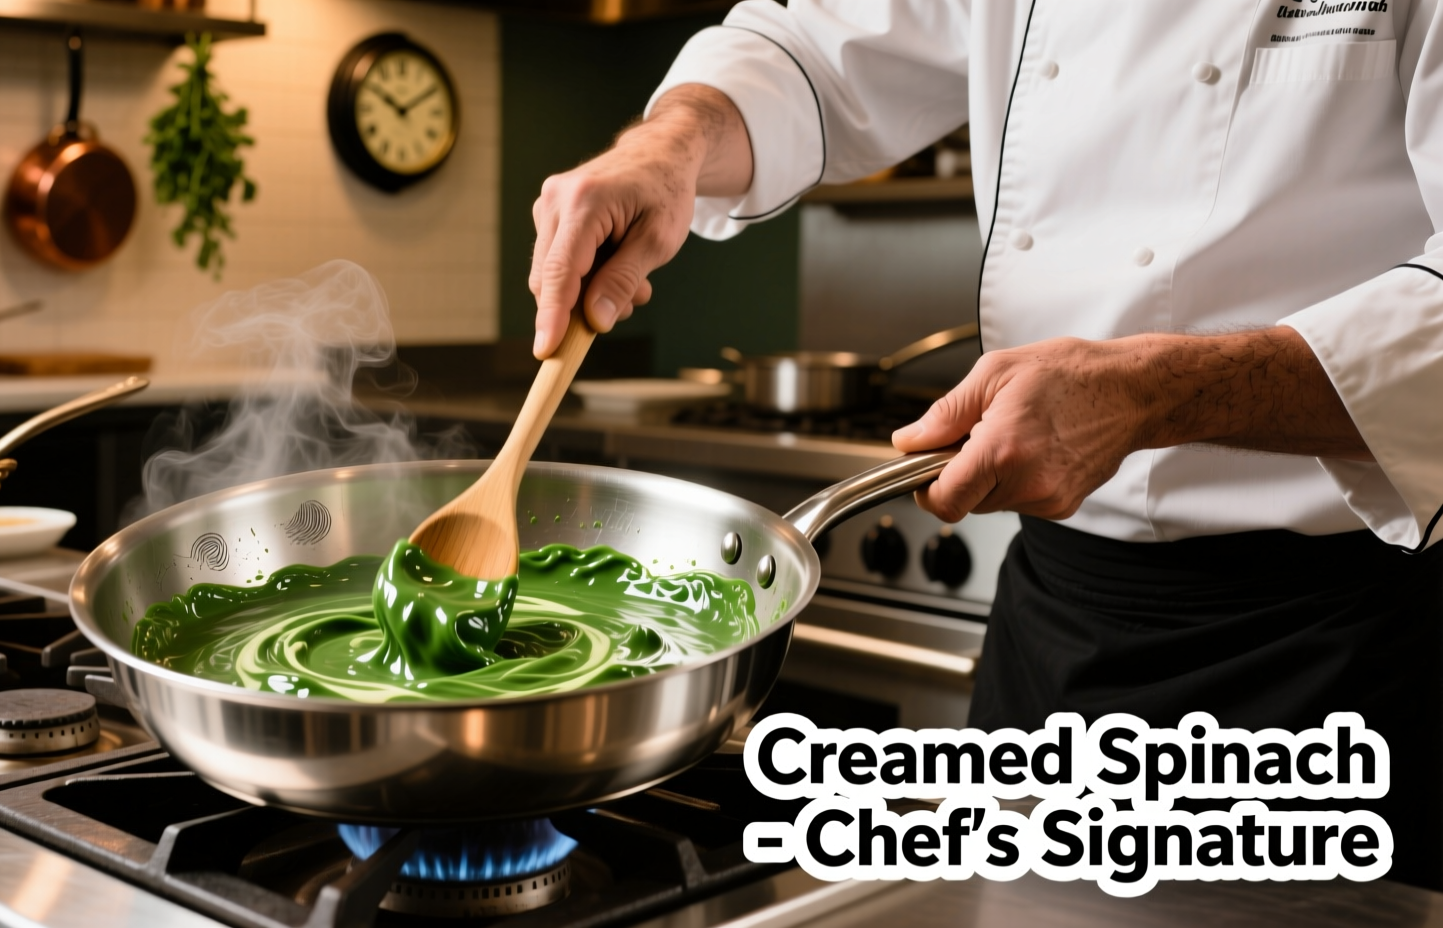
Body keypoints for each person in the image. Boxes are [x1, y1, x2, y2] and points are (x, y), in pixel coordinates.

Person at [526, 1, 1443, 889]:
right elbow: (815, 49)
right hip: (1053, 632)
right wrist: (669, 147)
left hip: (1337, 644)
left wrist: (1152, 394)